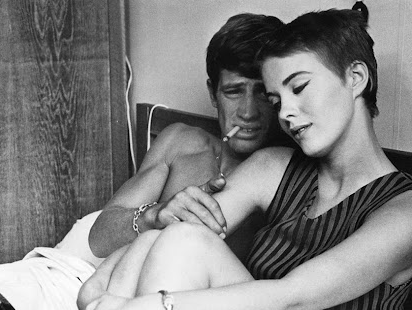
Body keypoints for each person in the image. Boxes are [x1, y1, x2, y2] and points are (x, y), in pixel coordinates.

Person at [41, 8, 412, 310]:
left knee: (187, 250)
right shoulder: (274, 166)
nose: (286, 113)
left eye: (299, 87)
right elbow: (172, 238)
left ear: (356, 78)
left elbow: (289, 298)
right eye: (277, 100)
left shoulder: (406, 213)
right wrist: (107, 291)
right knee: (178, 237)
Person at [88, 13, 285, 263]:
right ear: (213, 94)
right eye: (233, 91)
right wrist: (155, 216)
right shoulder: (180, 142)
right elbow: (99, 238)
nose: (248, 112)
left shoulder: (286, 172)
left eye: (262, 93)